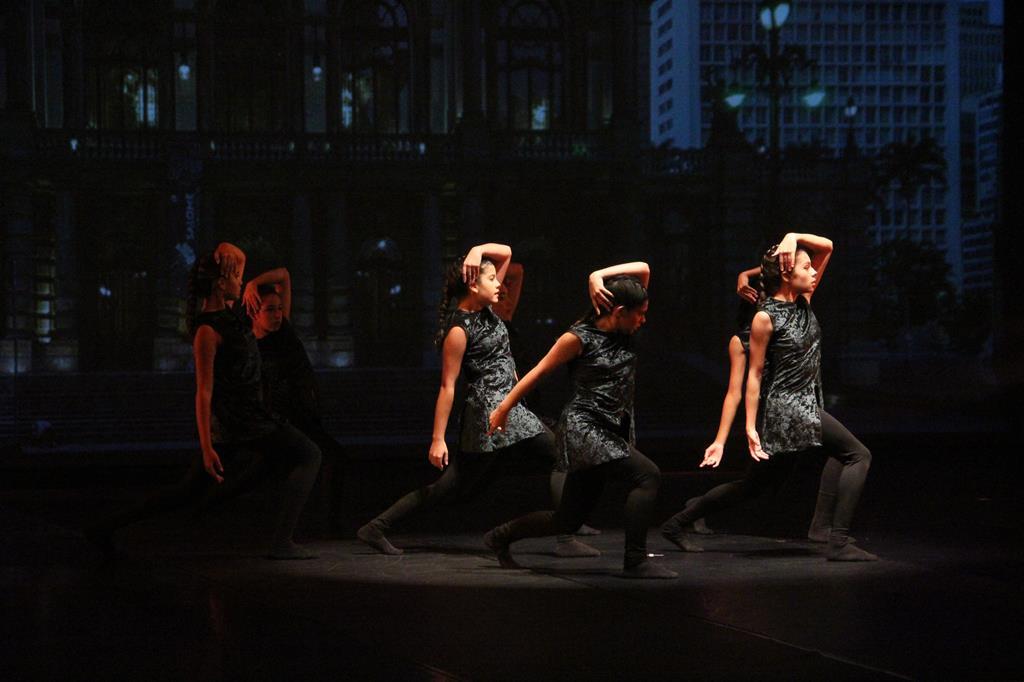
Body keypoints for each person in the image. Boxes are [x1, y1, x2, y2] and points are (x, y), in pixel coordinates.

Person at [356, 243, 598, 557]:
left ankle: (376, 526)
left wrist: (476, 250)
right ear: (473, 285)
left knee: (452, 488)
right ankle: (565, 534)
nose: (501, 284)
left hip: (507, 409)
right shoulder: (458, 330)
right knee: (561, 454)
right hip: (492, 411)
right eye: (492, 280)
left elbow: (507, 254)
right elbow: (447, 386)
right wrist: (437, 439)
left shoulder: (490, 311)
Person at [86, 243, 322, 560]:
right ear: (220, 283)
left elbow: (268, 269)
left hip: (250, 419)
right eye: (237, 277)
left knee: (190, 490)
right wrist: (206, 446)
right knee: (309, 454)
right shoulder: (207, 331)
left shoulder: (236, 317)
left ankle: (103, 528)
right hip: (240, 422)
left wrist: (244, 273)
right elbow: (204, 391)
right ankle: (281, 542)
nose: (242, 281)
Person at [661, 234, 877, 561]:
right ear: (788, 273)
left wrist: (792, 237)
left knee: (755, 486)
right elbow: (755, 376)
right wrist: (750, 428)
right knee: (857, 455)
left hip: (804, 406)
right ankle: (838, 540)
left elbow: (828, 246)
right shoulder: (765, 317)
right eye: (806, 267)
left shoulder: (804, 301)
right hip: (789, 409)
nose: (814, 271)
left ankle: (678, 522)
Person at [484, 263, 677, 579]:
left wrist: (595, 277)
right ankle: (635, 561)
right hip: (585, 429)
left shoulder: (624, 333)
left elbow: (642, 269)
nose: (643, 319)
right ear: (617, 311)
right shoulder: (579, 338)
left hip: (610, 429)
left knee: (566, 521)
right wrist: (503, 408)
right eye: (639, 313)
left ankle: (500, 536)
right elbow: (539, 372)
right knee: (648, 476)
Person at [674, 265, 843, 544]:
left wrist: (744, 273)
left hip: (794, 409)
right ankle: (692, 511)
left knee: (760, 485)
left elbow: (782, 261)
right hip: (772, 415)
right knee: (757, 485)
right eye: (761, 297)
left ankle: (694, 508)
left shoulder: (787, 319)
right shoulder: (743, 339)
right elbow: (734, 392)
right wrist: (721, 440)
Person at [244, 273, 347, 532]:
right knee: (261, 476)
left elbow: (284, 275)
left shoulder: (284, 331)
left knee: (330, 460)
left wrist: (253, 284)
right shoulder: (252, 347)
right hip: (283, 420)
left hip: (304, 415)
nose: (277, 314)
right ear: (255, 312)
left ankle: (325, 524)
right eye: (270, 310)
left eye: (279, 308)